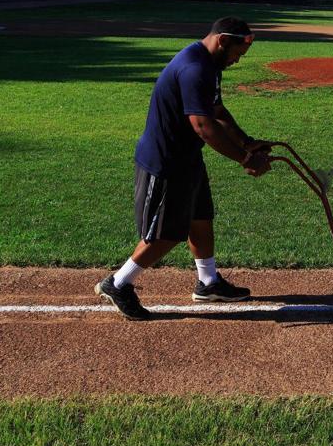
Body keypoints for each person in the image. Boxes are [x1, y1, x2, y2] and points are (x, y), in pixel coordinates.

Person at [95, 17, 273, 320]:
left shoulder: (209, 65)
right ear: (223, 41)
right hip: (167, 161)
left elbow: (216, 110)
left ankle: (208, 283)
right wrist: (245, 160)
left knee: (200, 218)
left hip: (188, 158)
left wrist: (247, 143)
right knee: (166, 232)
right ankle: (119, 282)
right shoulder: (195, 69)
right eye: (236, 53)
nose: (236, 60)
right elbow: (203, 126)